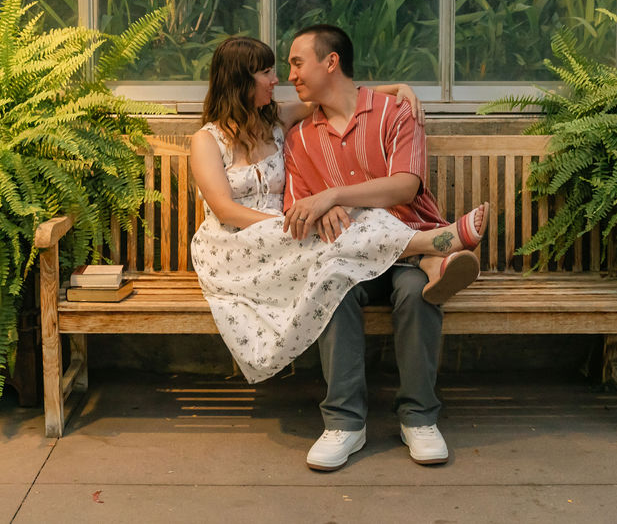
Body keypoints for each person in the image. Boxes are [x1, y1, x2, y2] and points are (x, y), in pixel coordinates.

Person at [189, 36, 487, 392]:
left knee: (345, 216)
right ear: (239, 80)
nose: (277, 79)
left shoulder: (276, 119)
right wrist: (296, 222)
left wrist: (398, 88)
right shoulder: (206, 140)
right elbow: (225, 209)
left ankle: (427, 253)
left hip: (287, 236)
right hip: (236, 246)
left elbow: (340, 93)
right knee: (342, 221)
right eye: (266, 72)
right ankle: (431, 245)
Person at [283, 24, 476, 472]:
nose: (288, 74)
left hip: (406, 245)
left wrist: (332, 196)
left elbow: (405, 186)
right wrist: (319, 209)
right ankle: (345, 424)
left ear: (330, 61)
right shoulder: (300, 136)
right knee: (331, 285)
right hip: (348, 256)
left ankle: (419, 418)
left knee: (417, 292)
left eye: (296, 62)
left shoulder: (395, 113)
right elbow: (298, 208)